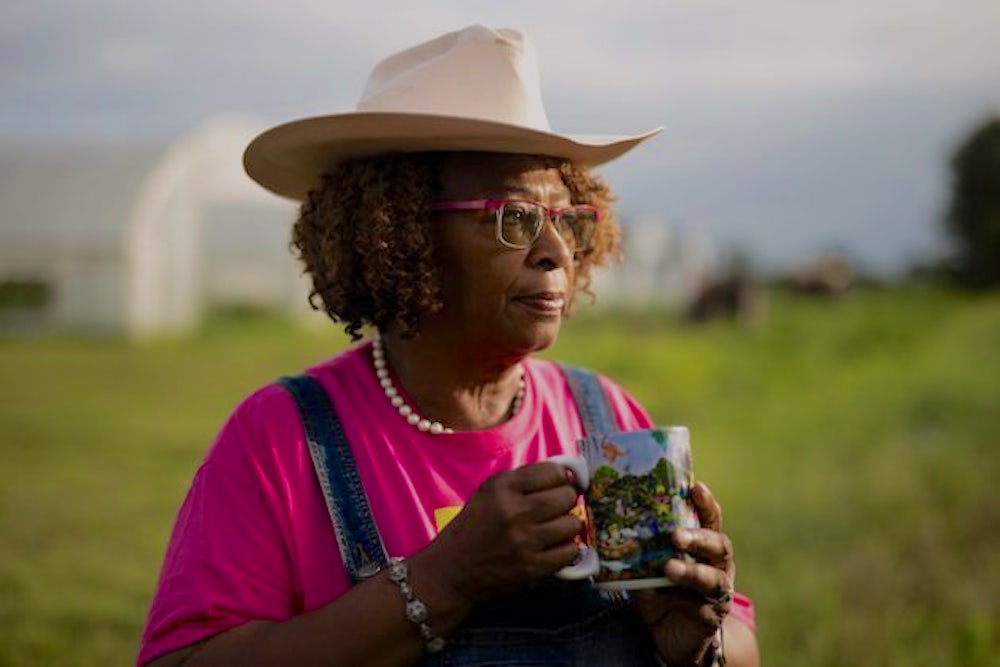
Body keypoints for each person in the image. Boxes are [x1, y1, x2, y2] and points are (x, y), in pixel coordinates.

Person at [139, 25, 759, 667]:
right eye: (514, 218)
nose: (555, 252)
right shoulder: (282, 440)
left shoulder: (606, 418)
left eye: (567, 220)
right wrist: (444, 580)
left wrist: (697, 643)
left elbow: (741, 648)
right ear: (398, 235)